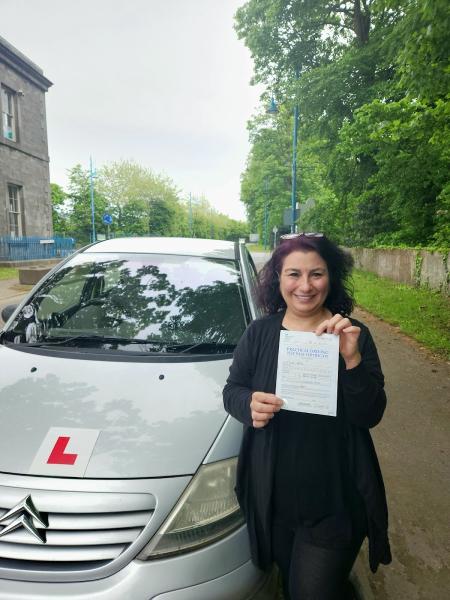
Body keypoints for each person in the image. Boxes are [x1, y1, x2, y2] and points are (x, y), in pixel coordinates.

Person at [223, 233, 391, 600]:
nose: (305, 285)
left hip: (333, 502)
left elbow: (370, 414)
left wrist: (352, 361)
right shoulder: (260, 333)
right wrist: (247, 403)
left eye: (316, 274)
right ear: (278, 279)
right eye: (293, 274)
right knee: (291, 578)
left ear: (331, 278)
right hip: (274, 500)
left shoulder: (354, 336)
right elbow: (232, 390)